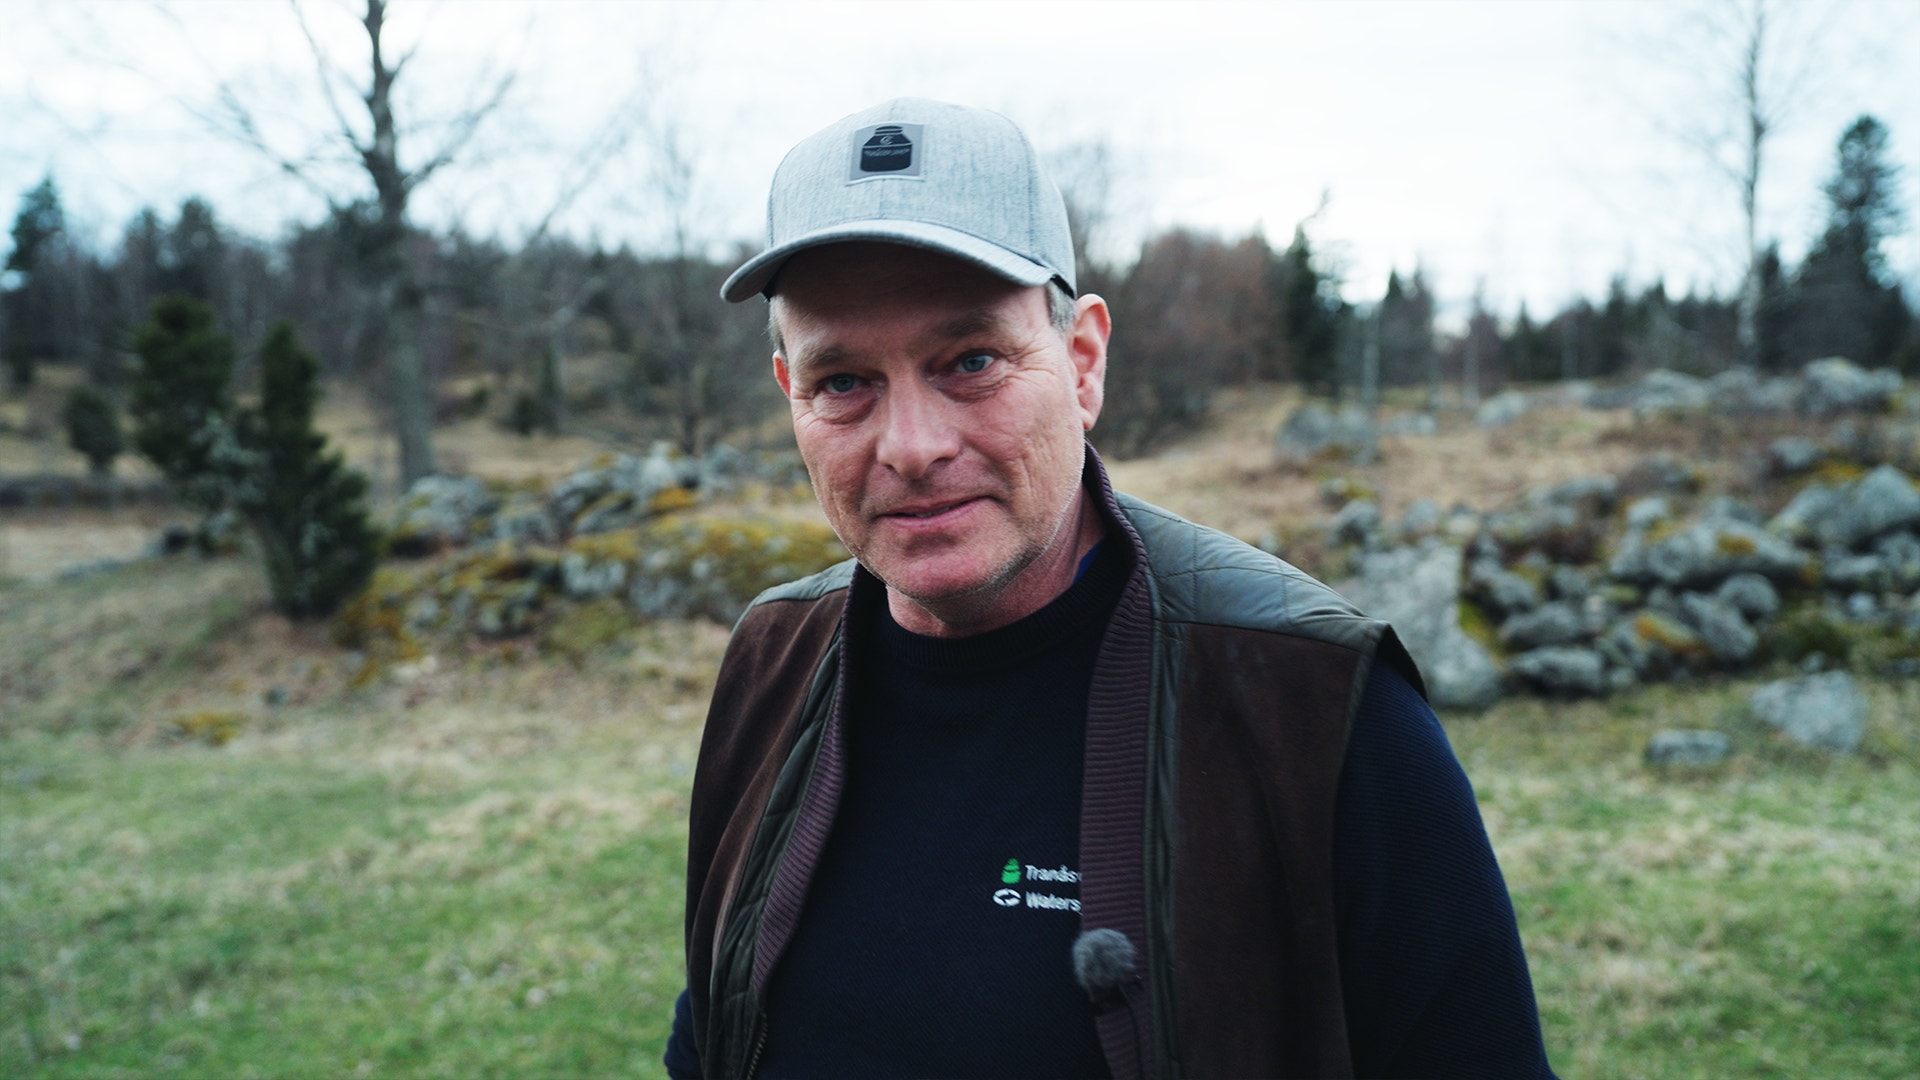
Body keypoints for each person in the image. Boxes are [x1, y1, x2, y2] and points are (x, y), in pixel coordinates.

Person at [665, 97, 1554, 1079]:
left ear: (1083, 363)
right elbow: (714, 1033)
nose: (912, 447)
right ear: (789, 390)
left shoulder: (1316, 704)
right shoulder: (772, 660)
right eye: (843, 382)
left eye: (971, 362)